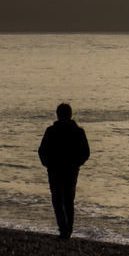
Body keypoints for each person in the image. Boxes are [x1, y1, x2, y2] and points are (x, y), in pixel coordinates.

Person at [38, 102, 90, 238]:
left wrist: (48, 164)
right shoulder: (77, 131)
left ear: (58, 114)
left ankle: (64, 229)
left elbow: (42, 151)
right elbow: (85, 152)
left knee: (59, 200)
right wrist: (76, 163)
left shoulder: (52, 131)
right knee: (67, 200)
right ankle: (66, 230)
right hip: (66, 170)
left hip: (59, 169)